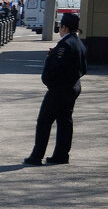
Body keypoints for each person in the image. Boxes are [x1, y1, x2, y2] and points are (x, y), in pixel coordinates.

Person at [24, 13, 87, 166]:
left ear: (64, 27)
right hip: (73, 87)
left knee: (44, 121)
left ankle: (36, 156)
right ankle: (61, 155)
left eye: (60, 26)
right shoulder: (78, 43)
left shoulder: (65, 45)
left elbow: (55, 69)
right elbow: (83, 68)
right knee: (65, 121)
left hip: (59, 89)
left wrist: (50, 81)